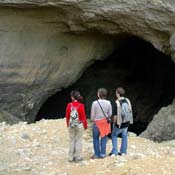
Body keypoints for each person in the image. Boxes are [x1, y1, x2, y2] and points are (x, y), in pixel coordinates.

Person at [109, 87, 133, 156]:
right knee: (124, 136)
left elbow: (115, 116)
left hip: (119, 124)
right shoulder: (127, 100)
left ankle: (115, 152)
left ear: (118, 94)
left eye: (116, 93)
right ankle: (123, 152)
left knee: (114, 136)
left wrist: (113, 123)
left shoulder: (116, 103)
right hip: (126, 122)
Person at [66, 90, 88, 162]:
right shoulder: (81, 105)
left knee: (71, 140)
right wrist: (85, 126)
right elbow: (83, 117)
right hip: (79, 125)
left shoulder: (69, 105)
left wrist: (67, 124)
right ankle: (77, 157)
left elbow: (67, 116)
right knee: (78, 140)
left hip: (71, 125)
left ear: (72, 97)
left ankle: (70, 157)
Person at [90, 88, 112, 159]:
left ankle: (97, 154)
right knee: (104, 138)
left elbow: (92, 116)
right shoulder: (108, 102)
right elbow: (110, 113)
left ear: (99, 94)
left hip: (96, 123)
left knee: (95, 138)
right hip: (105, 123)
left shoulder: (95, 103)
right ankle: (103, 154)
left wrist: (92, 120)